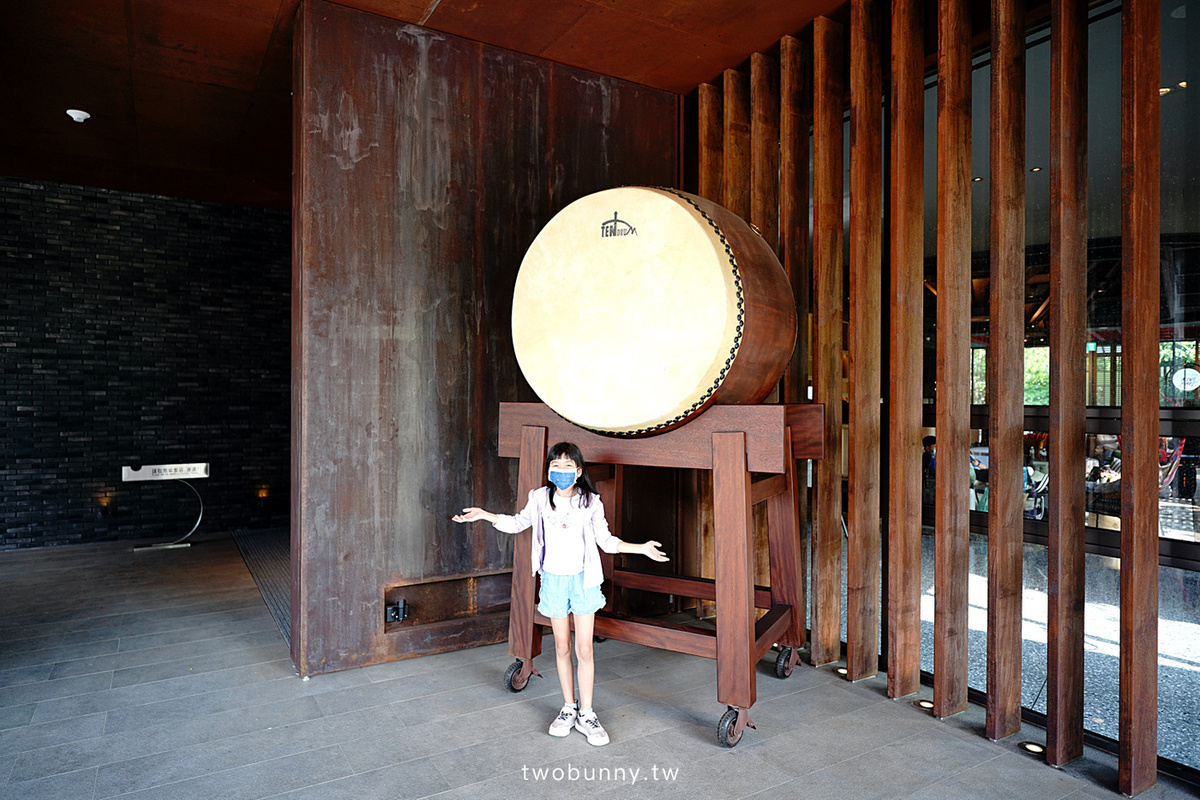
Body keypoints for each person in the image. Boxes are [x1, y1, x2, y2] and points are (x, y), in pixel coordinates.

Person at [452, 442, 668, 746]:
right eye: (556, 466)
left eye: (568, 466)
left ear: (578, 472)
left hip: (583, 581)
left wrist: (641, 549)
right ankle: (569, 707)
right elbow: (518, 523)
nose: (562, 471)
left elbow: (606, 541)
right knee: (563, 648)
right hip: (553, 581)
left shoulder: (590, 501)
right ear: (549, 470)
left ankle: (588, 714)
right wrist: (486, 515)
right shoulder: (539, 498)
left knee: (585, 650)